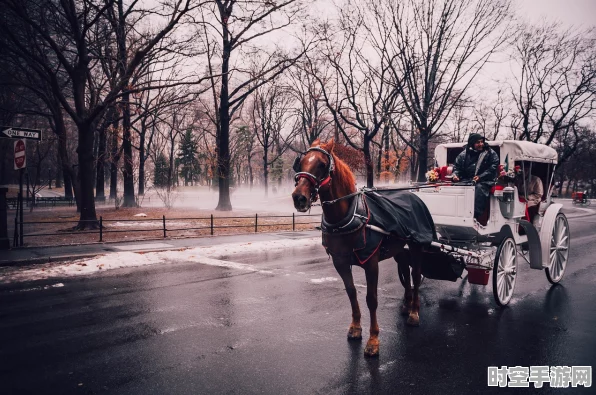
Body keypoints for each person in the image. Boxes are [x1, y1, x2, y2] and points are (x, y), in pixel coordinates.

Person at [452, 133, 499, 219]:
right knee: (455, 187)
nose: (481, 144)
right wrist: (455, 175)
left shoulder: (490, 153)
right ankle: (455, 213)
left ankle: (475, 216)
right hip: (468, 180)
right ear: (472, 143)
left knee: (479, 188)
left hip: (485, 181)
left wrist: (480, 177)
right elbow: (456, 167)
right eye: (478, 142)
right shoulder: (463, 154)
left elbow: (493, 167)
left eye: (482, 142)